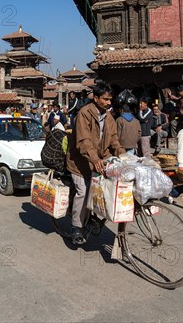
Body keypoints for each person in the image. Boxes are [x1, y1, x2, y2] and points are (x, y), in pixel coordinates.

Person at [66, 82, 125, 245]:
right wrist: (94, 158)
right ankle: (76, 227)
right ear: (96, 98)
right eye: (105, 99)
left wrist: (124, 155)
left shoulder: (109, 117)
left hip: (99, 160)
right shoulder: (84, 113)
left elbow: (114, 140)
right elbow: (84, 141)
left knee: (110, 188)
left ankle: (93, 216)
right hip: (80, 162)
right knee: (84, 191)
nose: (108, 103)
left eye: (110, 100)